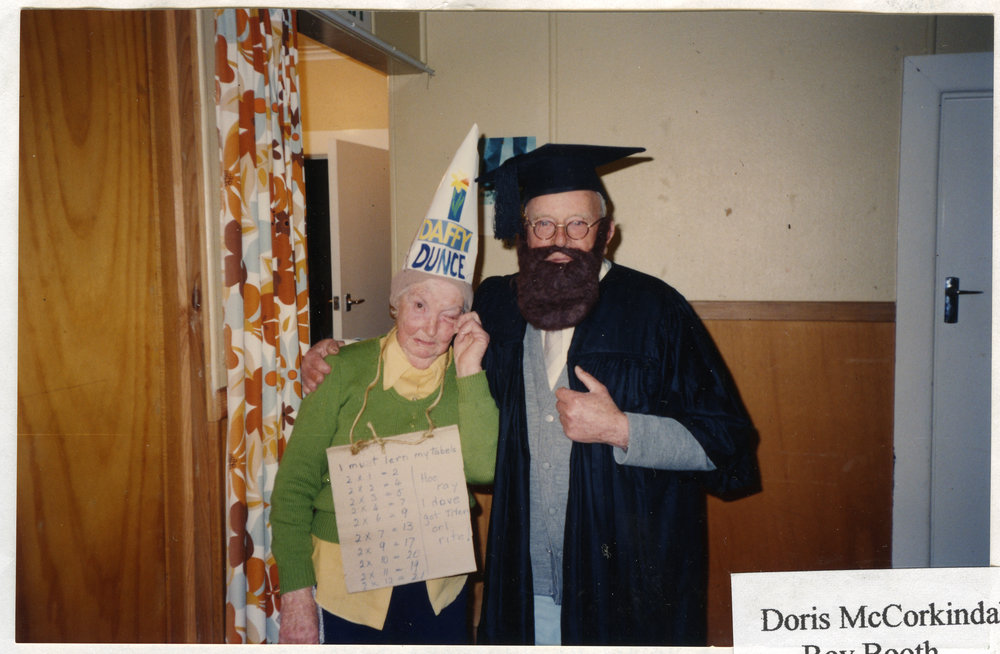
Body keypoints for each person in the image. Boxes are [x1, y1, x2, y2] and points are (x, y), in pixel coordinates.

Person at [302, 141, 759, 646]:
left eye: (577, 225)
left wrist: (622, 428)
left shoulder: (657, 311)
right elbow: (420, 343)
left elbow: (729, 443)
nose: (558, 240)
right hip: (525, 575)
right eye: (543, 225)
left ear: (606, 233)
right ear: (522, 234)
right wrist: (339, 354)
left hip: (626, 581)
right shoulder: (499, 302)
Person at [272, 125, 498, 644]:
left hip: (439, 586)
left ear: (465, 319)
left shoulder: (467, 377)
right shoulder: (343, 371)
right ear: (396, 303)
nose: (430, 329)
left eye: (450, 315)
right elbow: (292, 491)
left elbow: (484, 469)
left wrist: (469, 372)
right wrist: (296, 595)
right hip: (347, 589)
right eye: (419, 306)